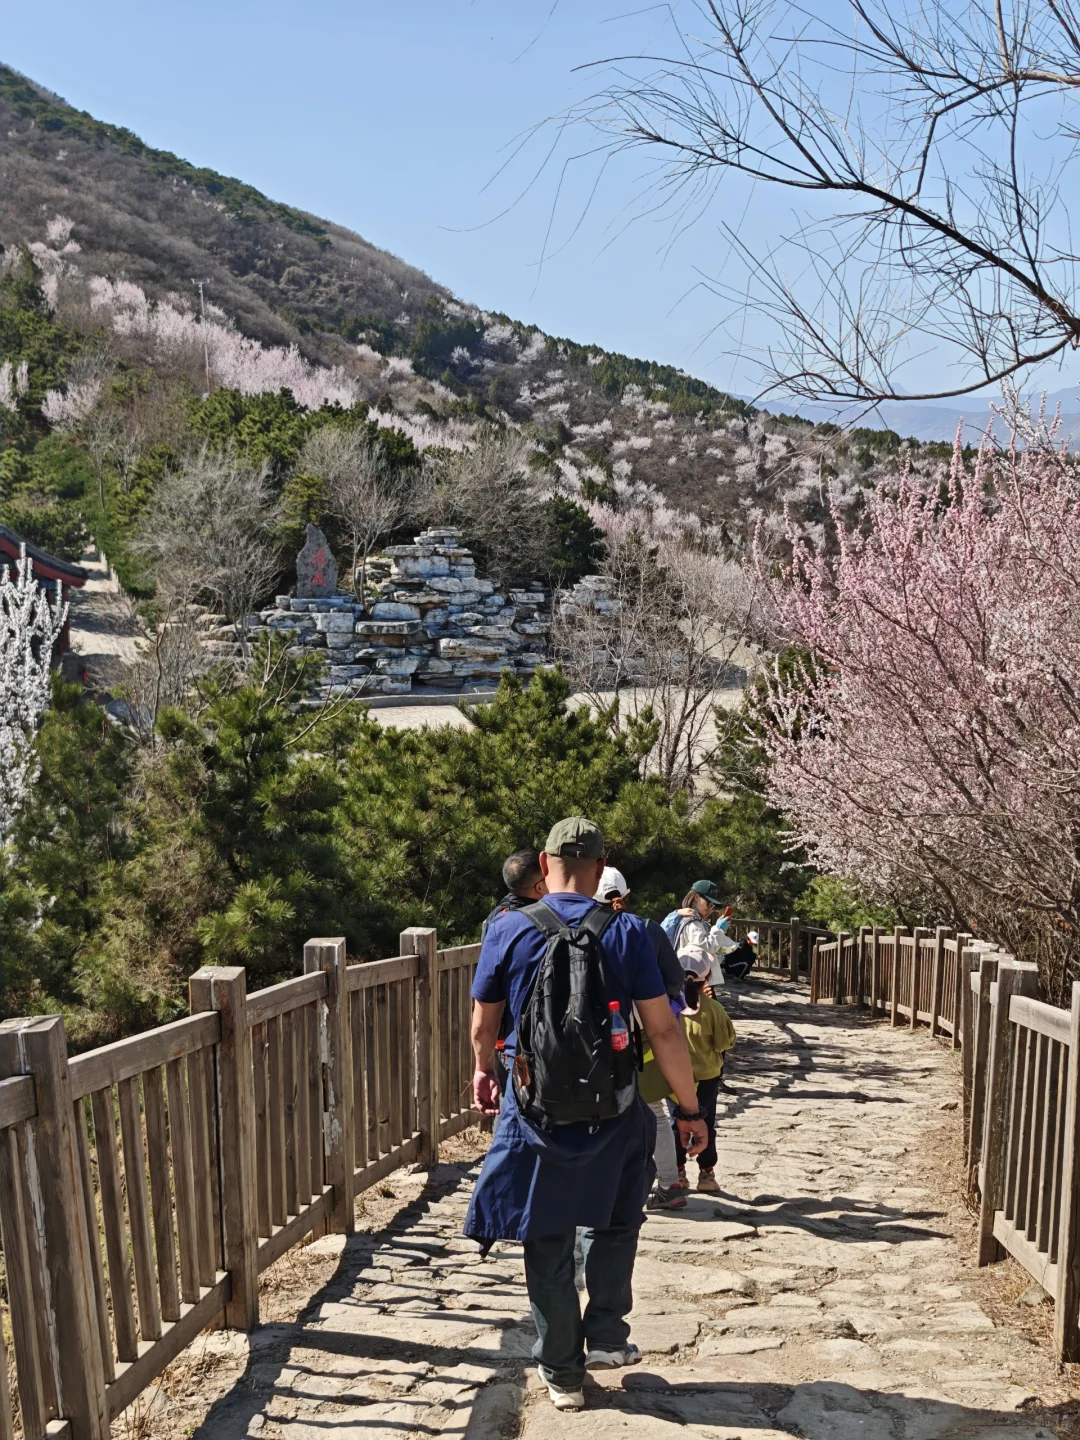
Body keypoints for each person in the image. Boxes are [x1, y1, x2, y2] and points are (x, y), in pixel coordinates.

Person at [466, 817, 708, 1413]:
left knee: (545, 1234)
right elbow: (664, 1030)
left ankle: (562, 1373)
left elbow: (482, 1025)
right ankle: (605, 1336)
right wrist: (689, 1108)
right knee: (616, 1218)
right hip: (616, 1108)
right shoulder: (627, 930)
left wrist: (483, 1071)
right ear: (600, 871)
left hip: (534, 1109)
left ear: (544, 867)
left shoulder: (510, 929)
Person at [593, 866, 686, 1211]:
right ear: (626, 896)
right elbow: (674, 979)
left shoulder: (578, 929)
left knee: (599, 1110)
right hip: (646, 1031)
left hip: (595, 1034)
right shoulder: (646, 929)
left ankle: (606, 1185)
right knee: (654, 1111)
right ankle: (669, 1182)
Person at [671, 951, 736, 1194]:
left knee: (674, 1122)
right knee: (706, 1121)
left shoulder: (669, 1004)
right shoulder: (713, 1008)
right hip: (707, 1075)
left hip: (674, 1075)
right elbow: (723, 1043)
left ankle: (676, 1171)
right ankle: (706, 1173)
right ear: (706, 975)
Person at [662, 880, 738, 984]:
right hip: (693, 979)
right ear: (696, 897)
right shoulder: (692, 921)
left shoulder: (695, 921)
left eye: (713, 907)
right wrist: (719, 929)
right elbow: (705, 947)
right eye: (710, 904)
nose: (711, 909)